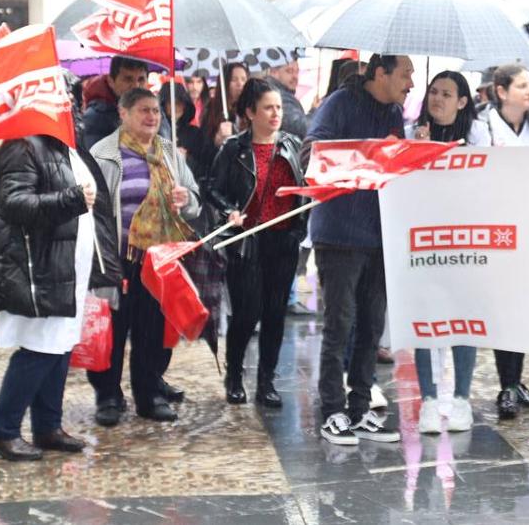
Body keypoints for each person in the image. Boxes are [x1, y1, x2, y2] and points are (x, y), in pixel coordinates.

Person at [0, 80, 123, 462]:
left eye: (71, 99)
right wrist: (71, 199)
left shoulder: (64, 147)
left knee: (59, 345)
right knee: (40, 348)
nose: (71, 106)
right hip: (37, 267)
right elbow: (14, 203)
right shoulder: (23, 145)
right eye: (62, 98)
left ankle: (47, 426)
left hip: (67, 266)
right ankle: (3, 431)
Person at [305, 54, 412, 445]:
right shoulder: (338, 103)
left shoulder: (395, 111)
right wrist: (370, 152)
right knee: (340, 324)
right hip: (339, 233)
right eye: (405, 74)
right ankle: (332, 410)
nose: (412, 83)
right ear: (380, 73)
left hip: (380, 234)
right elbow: (312, 152)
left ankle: (360, 407)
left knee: (371, 326)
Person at [87, 88, 202, 425]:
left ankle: (148, 394)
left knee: (151, 329)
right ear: (123, 114)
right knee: (114, 331)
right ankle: (108, 396)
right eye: (144, 110)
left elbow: (194, 201)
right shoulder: (104, 153)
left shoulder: (168, 152)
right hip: (117, 258)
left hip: (159, 260)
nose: (153, 117)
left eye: (156, 111)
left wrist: (185, 199)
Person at [208, 78, 307, 409]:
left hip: (284, 240)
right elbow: (214, 188)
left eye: (278, 107)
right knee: (246, 314)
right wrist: (228, 210)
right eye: (268, 107)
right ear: (250, 112)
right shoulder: (234, 148)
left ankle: (267, 380)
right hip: (247, 242)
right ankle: (234, 376)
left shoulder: (292, 145)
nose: (276, 113)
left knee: (276, 313)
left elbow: (306, 187)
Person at [407, 71, 489, 433]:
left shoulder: (477, 138)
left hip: (465, 243)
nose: (437, 99)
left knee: (463, 318)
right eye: (433, 92)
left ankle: (461, 399)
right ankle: (427, 400)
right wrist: (416, 152)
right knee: (424, 320)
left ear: (462, 102)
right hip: (422, 242)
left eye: (446, 93)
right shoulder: (413, 134)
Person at [478, 64, 529, 420]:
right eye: (521, 85)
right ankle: (507, 384)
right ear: (501, 90)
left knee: (524, 309)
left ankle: (516, 379)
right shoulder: (483, 124)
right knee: (502, 310)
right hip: (495, 228)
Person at [80, 56, 149, 151]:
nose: (136, 86)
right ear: (111, 81)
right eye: (128, 79)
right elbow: (97, 161)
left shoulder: (154, 112)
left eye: (141, 79)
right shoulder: (96, 118)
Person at [266, 58, 309, 140]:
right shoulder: (279, 96)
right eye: (289, 71)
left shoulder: (280, 93)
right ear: (274, 72)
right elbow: (301, 128)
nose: (295, 76)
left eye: (297, 71)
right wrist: (315, 110)